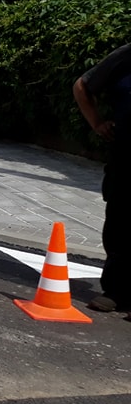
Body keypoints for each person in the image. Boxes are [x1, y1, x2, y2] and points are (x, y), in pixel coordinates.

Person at [73, 43, 131, 314]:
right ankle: (116, 292)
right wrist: (97, 122)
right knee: (119, 224)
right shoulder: (124, 57)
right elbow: (82, 86)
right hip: (124, 158)